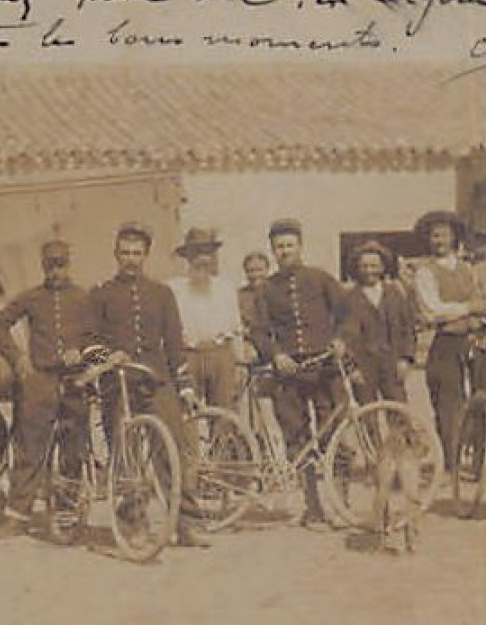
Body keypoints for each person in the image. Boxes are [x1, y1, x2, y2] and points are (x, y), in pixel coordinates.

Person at [91, 221, 209, 548]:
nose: (131, 259)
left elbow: (173, 343)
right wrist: (105, 355)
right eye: (125, 252)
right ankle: (134, 521)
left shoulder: (161, 294)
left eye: (137, 253)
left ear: (146, 256)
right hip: (118, 385)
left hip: (158, 381)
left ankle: (185, 523)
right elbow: (89, 341)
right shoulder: (101, 294)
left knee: (171, 452)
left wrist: (184, 386)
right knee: (125, 457)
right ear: (116, 254)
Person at [0, 238, 99, 536]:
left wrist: (83, 352)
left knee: (74, 448)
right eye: (51, 265)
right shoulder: (32, 297)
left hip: (75, 381)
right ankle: (17, 515)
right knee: (30, 447)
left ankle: (67, 510)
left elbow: (96, 338)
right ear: (43, 266)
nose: (56, 271)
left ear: (69, 264)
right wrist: (17, 358)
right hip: (40, 381)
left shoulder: (83, 298)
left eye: (61, 264)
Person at [248, 218, 352, 530]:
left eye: (289, 245)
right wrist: (276, 355)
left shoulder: (320, 279)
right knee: (298, 439)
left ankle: (342, 504)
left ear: (300, 246)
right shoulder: (266, 289)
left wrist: (341, 339)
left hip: (324, 367)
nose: (284, 251)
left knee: (336, 434)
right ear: (273, 250)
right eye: (279, 246)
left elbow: (347, 313)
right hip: (289, 373)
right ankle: (314, 507)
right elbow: (258, 330)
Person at [410, 211, 484, 473]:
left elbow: (481, 299)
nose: (438, 240)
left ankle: (480, 463)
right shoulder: (424, 273)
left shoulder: (468, 268)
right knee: (448, 402)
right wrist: (468, 308)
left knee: (481, 397)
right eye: (433, 235)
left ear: (454, 236)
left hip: (474, 338)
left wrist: (478, 311)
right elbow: (432, 310)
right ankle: (450, 464)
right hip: (445, 342)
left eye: (443, 234)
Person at [168, 226, 242, 408]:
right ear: (188, 258)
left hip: (221, 356)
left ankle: (222, 437)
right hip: (189, 357)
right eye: (196, 253)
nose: (202, 259)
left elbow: (236, 329)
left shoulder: (225, 289)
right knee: (187, 414)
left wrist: (239, 363)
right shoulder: (174, 289)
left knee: (225, 418)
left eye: (206, 253)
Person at [343, 241, 415, 403]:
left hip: (392, 363)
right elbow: (344, 337)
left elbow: (408, 329)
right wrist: (351, 368)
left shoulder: (395, 293)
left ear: (383, 267)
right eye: (364, 266)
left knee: (399, 414)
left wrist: (405, 359)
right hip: (363, 367)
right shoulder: (348, 298)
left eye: (374, 266)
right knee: (368, 417)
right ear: (357, 269)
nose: (369, 271)